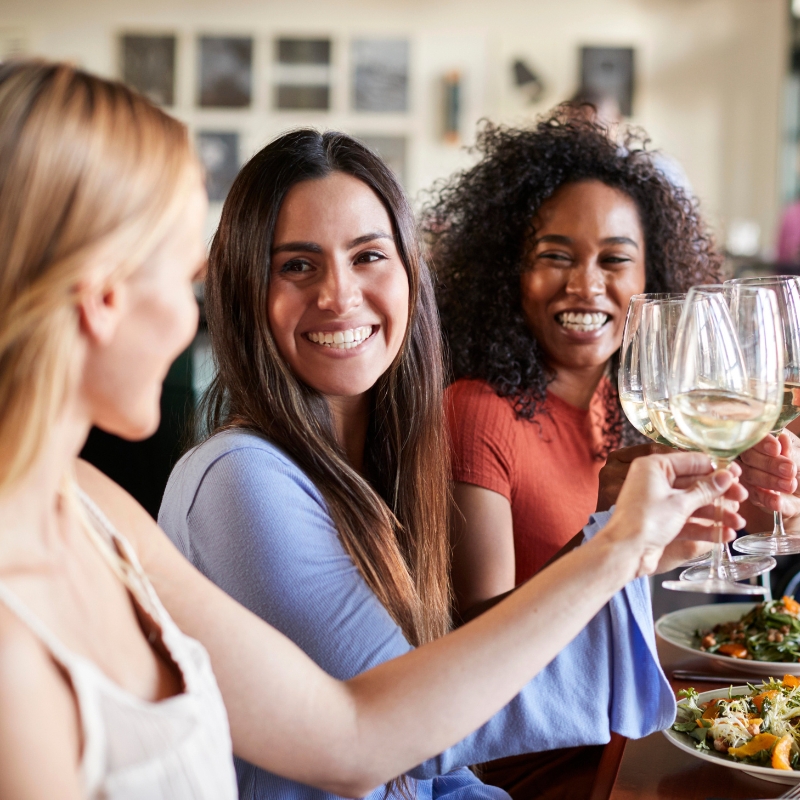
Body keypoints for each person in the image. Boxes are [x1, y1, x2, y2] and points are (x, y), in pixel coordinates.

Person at [0, 59, 743, 799]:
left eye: (368, 256)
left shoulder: (96, 508)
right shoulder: (235, 478)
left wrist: (639, 546)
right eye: (175, 270)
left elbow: (400, 757)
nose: (339, 295)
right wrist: (618, 550)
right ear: (99, 297)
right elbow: (369, 735)